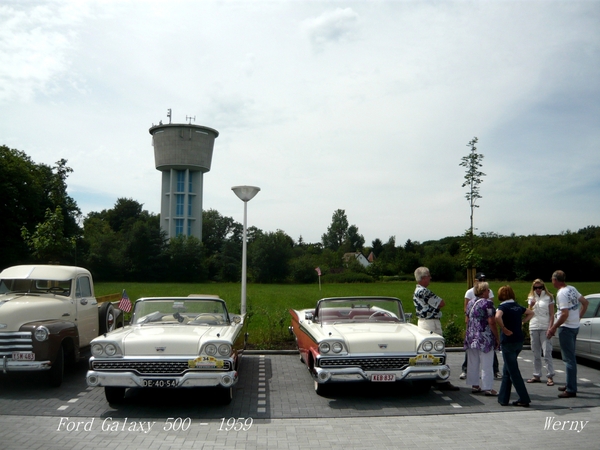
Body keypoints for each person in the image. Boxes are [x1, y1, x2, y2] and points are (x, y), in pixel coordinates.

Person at [413, 266, 460, 391]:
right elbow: (441, 303)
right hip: (431, 323)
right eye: (428, 276)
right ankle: (441, 379)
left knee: (427, 352)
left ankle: (430, 377)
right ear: (423, 278)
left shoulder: (417, 291)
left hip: (423, 322)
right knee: (438, 351)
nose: (430, 278)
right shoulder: (424, 291)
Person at [546, 270, 589, 398]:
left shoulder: (561, 294)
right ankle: (570, 383)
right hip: (574, 326)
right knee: (570, 357)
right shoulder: (572, 289)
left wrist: (553, 327)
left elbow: (564, 314)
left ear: (555, 280)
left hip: (566, 328)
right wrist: (578, 316)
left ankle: (571, 389)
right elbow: (585, 303)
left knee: (569, 359)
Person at [495, 285, 534, 407]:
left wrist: (503, 328)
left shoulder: (503, 307)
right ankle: (503, 398)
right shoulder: (517, 306)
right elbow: (530, 313)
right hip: (519, 340)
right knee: (507, 369)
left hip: (508, 340)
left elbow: (497, 316)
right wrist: (522, 321)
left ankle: (524, 398)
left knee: (513, 371)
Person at [460, 272, 501, 380]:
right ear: (483, 292)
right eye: (487, 290)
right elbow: (491, 321)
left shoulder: (471, 303)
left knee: (473, 362)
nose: (489, 292)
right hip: (484, 336)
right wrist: (497, 337)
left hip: (472, 334)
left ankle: (474, 385)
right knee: (487, 363)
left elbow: (467, 315)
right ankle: (487, 387)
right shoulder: (487, 303)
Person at [526, 279, 556, 386]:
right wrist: (531, 305)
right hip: (533, 326)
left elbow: (552, 314)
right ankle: (536, 375)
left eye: (540, 287)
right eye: (536, 288)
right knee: (535, 352)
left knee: (547, 351)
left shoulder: (549, 297)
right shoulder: (531, 297)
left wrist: (550, 328)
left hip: (545, 326)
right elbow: (528, 313)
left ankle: (550, 376)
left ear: (543, 287)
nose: (538, 290)